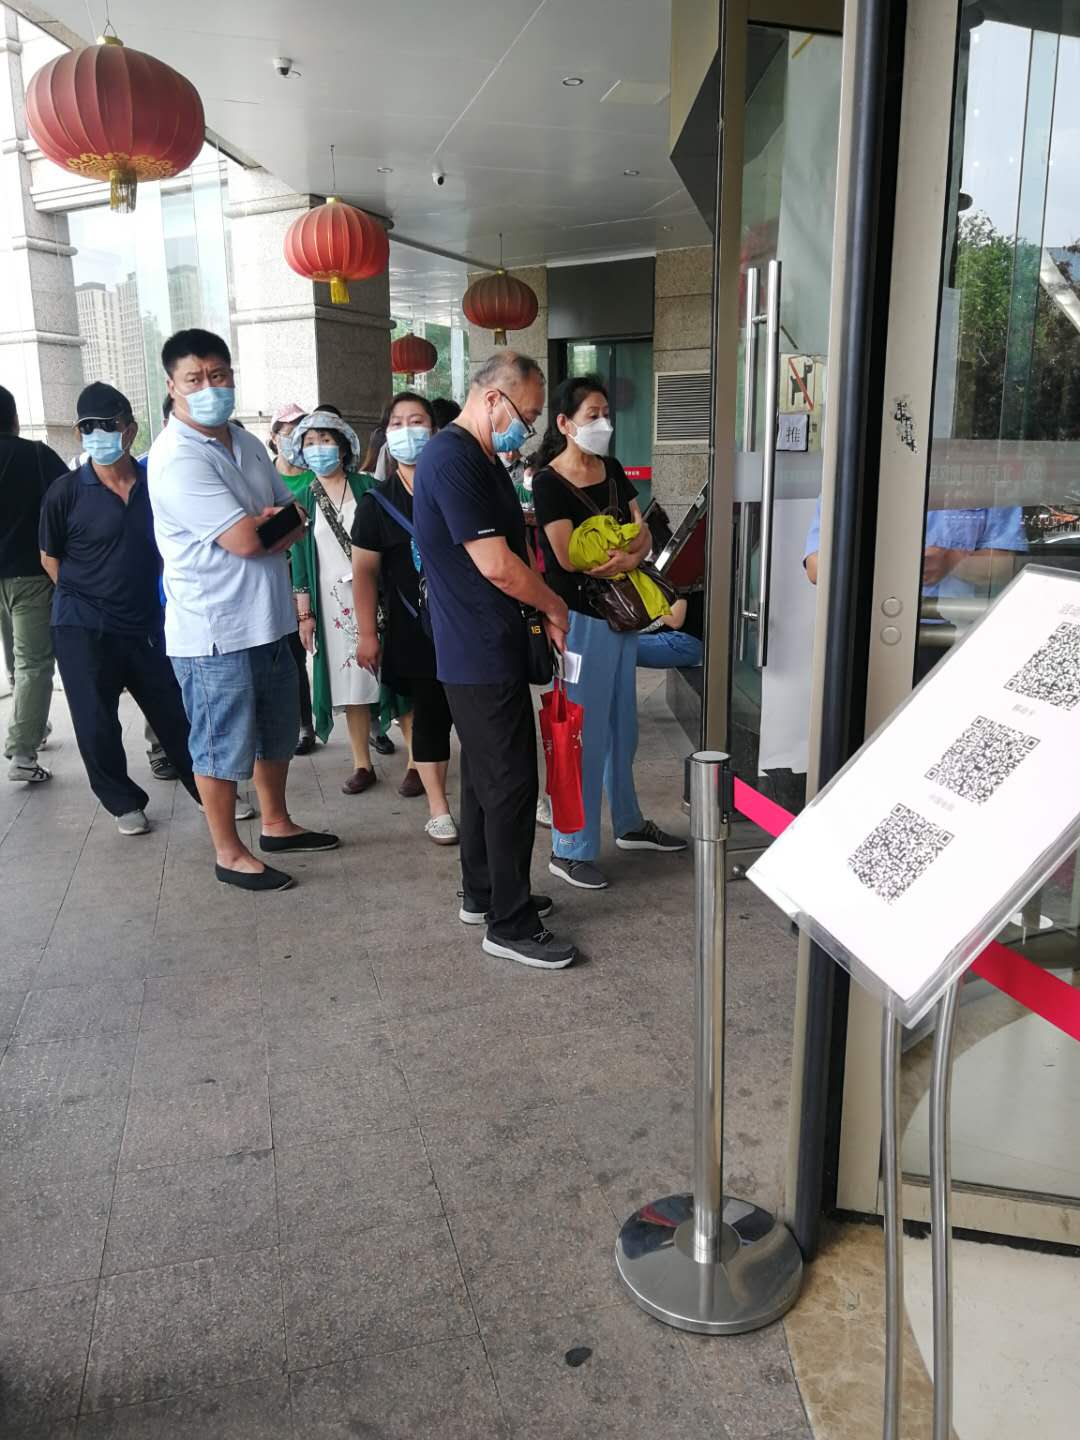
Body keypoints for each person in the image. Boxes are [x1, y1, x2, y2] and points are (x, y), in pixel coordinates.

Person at [148, 328, 338, 892]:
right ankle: (228, 852)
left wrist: (268, 524)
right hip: (214, 631)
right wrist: (264, 526)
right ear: (172, 386)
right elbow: (248, 541)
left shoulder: (246, 441)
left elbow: (295, 514)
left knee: (276, 732)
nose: (209, 387)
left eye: (218, 375)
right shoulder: (177, 457)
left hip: (269, 619)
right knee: (220, 743)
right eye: (194, 379)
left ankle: (276, 824)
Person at [413, 350, 577, 970]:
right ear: (491, 398)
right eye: (526, 416)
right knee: (510, 783)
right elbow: (498, 566)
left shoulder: (477, 457)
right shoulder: (454, 458)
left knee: (486, 781)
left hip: (483, 644)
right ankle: (510, 923)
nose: (526, 430)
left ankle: (485, 892)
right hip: (477, 650)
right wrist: (554, 605)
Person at [532, 374, 686, 891]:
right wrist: (622, 555)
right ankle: (569, 848)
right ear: (564, 423)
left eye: (605, 414)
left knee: (623, 727)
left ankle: (628, 823)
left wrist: (629, 556)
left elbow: (642, 532)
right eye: (591, 415)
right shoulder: (548, 482)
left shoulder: (613, 469)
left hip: (622, 616)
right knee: (580, 732)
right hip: (580, 621)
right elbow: (565, 555)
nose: (603, 423)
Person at [37, 382, 200, 833]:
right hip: (82, 627)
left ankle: (207, 789)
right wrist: (89, 598)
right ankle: (123, 803)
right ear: (78, 434)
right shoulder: (66, 492)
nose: (98, 435)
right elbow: (50, 559)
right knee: (96, 721)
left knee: (175, 711)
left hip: (146, 622)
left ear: (130, 430)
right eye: (88, 427)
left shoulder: (156, 484)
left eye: (108, 425)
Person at [352, 392, 458, 844]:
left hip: (466, 625)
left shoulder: (457, 487)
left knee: (481, 715)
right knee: (429, 715)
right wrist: (366, 634)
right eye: (397, 423)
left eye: (417, 421)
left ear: (435, 431)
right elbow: (364, 572)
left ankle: (498, 795)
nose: (408, 431)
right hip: (416, 628)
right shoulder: (376, 503)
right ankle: (438, 808)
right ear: (386, 435)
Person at [285, 409, 399, 793]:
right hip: (332, 604)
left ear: (343, 447)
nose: (318, 449)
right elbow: (299, 560)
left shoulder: (369, 487)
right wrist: (305, 615)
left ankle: (417, 763)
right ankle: (362, 763)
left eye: (326, 440)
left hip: (378, 598)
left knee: (397, 676)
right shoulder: (302, 497)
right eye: (310, 443)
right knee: (351, 683)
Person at [0, 384, 67, 782]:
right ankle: (22, 753)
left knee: (16, 657)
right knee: (34, 663)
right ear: (14, 418)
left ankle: (33, 725)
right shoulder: (37, 456)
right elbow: (70, 500)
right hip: (30, 575)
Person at [266, 402, 318, 756]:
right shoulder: (265, 478)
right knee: (291, 652)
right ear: (274, 438)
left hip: (317, 573)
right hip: (277, 576)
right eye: (288, 432)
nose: (295, 439)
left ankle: (373, 721)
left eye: (302, 431)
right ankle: (302, 724)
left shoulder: (317, 479)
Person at [636, 594, 704, 669]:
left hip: (684, 642)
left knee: (625, 646)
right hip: (676, 640)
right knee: (626, 642)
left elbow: (675, 621)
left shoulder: (679, 587)